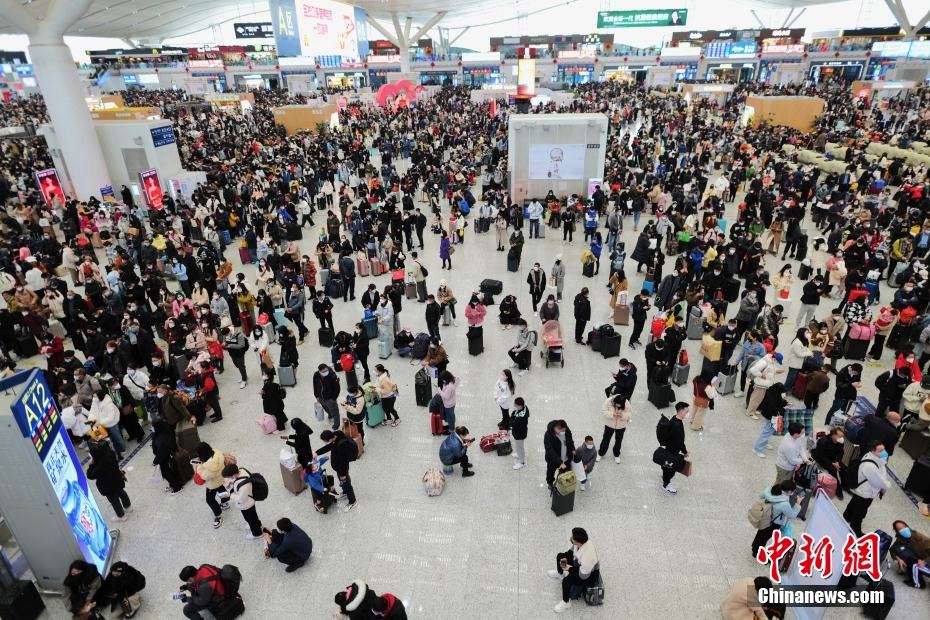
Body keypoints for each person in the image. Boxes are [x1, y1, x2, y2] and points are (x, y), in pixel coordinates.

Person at [842, 440, 890, 537]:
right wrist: (886, 485)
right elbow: (877, 481)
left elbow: (882, 467)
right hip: (866, 492)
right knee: (860, 511)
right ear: (873, 451)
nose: (884, 452)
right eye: (880, 450)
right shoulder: (870, 466)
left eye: (883, 449)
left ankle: (846, 516)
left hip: (862, 489)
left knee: (855, 502)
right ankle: (855, 529)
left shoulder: (873, 456)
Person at [546, 527, 600, 613]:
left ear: (578, 541)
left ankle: (566, 602)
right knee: (560, 556)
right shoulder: (579, 543)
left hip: (589, 575)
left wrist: (569, 569)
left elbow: (583, 575)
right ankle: (560, 573)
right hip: (578, 564)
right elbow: (571, 552)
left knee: (567, 580)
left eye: (572, 537)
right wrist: (564, 558)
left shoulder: (588, 555)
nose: (571, 538)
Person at [750, 480, 802, 558]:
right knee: (765, 537)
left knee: (760, 532)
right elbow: (792, 515)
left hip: (763, 516)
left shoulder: (770, 490)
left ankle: (754, 546)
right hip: (774, 522)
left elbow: (761, 495)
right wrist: (798, 504)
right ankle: (757, 552)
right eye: (793, 491)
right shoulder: (785, 504)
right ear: (789, 491)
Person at [86, 441, 132, 521]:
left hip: (107, 486)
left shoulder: (97, 466)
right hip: (117, 479)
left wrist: (91, 465)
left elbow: (90, 475)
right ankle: (128, 507)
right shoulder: (111, 454)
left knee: (114, 501)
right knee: (121, 493)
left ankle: (121, 516)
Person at [317, 429, 359, 512]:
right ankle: (345, 492)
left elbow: (344, 461)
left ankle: (352, 501)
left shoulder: (341, 445)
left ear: (330, 439)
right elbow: (329, 447)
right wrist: (317, 452)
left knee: (346, 483)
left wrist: (342, 474)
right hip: (338, 468)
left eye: (325, 441)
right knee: (342, 482)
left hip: (342, 469)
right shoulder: (335, 435)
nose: (325, 443)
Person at [193, 442, 230, 529]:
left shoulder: (211, 468)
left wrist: (198, 466)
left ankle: (218, 515)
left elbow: (203, 476)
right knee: (221, 489)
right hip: (220, 479)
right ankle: (225, 502)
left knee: (209, 499)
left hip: (212, 484)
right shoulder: (216, 454)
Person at [222, 463, 263, 539]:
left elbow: (241, 499)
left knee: (250, 518)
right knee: (253, 516)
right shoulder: (242, 470)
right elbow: (238, 482)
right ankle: (258, 524)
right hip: (250, 500)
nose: (230, 478)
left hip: (246, 504)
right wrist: (231, 483)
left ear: (234, 475)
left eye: (229, 477)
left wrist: (230, 495)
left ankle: (257, 533)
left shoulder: (243, 486)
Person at [659, 402, 689, 494]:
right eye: (686, 411)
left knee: (667, 465)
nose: (688, 413)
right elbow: (680, 442)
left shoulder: (674, 418)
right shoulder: (677, 425)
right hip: (673, 450)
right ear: (681, 411)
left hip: (669, 447)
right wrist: (685, 452)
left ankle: (665, 475)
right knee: (671, 468)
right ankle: (666, 484)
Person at [890, 519, 930, 588]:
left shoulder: (921, 538)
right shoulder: (901, 539)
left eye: (904, 526)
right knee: (910, 560)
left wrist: (925, 561)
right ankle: (917, 579)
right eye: (900, 529)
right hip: (921, 559)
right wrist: (899, 559)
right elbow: (892, 549)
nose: (903, 529)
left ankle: (918, 584)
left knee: (915, 565)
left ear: (907, 526)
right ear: (897, 531)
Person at [754, 383, 788, 457]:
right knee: (766, 433)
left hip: (768, 414)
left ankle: (764, 443)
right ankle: (758, 449)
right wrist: (783, 409)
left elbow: (778, 401)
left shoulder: (771, 391)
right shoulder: (773, 399)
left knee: (767, 431)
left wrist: (785, 403)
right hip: (772, 417)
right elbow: (776, 408)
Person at [812, 426, 846, 499]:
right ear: (833, 435)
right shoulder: (823, 441)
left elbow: (841, 452)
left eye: (842, 436)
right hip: (822, 459)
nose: (841, 438)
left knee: (844, 468)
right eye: (839, 436)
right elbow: (820, 455)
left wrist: (837, 461)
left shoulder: (840, 441)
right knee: (833, 470)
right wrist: (832, 463)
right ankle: (838, 489)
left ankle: (845, 485)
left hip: (834, 459)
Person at [597, 393, 631, 463]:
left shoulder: (627, 403)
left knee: (619, 440)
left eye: (620, 406)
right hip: (609, 425)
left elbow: (629, 415)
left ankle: (616, 454)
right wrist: (612, 414)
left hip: (621, 426)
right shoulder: (608, 401)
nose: (618, 407)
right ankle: (601, 453)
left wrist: (622, 415)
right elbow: (603, 412)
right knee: (606, 440)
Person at [543, 419, 575, 489]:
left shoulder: (566, 430)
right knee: (550, 472)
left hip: (566, 458)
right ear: (556, 428)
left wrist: (572, 449)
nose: (563, 432)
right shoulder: (548, 435)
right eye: (561, 430)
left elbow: (570, 440)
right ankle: (550, 482)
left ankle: (562, 481)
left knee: (564, 472)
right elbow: (550, 451)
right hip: (553, 460)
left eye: (564, 430)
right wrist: (560, 462)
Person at [313, 363, 341, 431]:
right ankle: (330, 415)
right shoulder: (316, 375)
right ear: (319, 371)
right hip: (321, 398)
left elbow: (337, 388)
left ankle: (336, 425)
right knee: (326, 408)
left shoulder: (332, 376)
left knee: (335, 412)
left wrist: (334, 399)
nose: (326, 372)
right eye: (323, 372)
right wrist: (316, 396)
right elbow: (315, 386)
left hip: (330, 398)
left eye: (326, 370)